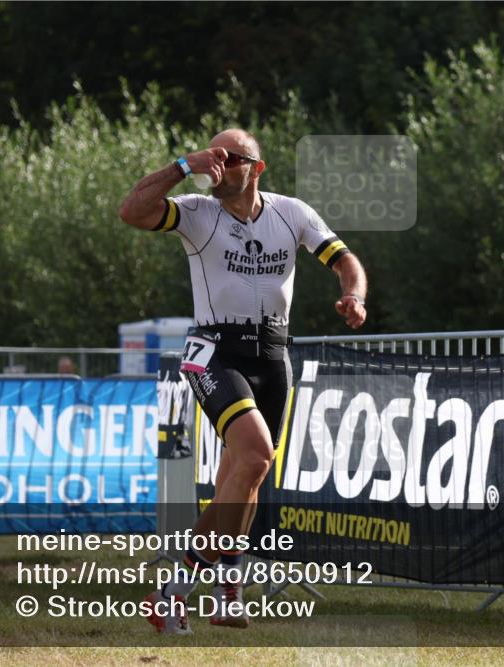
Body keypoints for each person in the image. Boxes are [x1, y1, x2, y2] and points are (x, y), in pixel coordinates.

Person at [119, 129, 367, 635]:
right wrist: (182, 166)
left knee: (245, 474)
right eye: (213, 156)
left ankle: (173, 594)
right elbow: (133, 210)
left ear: (257, 168)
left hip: (273, 352)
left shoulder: (290, 212)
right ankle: (227, 583)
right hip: (215, 349)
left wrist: (354, 295)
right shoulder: (196, 211)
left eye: (229, 158)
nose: (219, 165)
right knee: (256, 455)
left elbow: (344, 259)